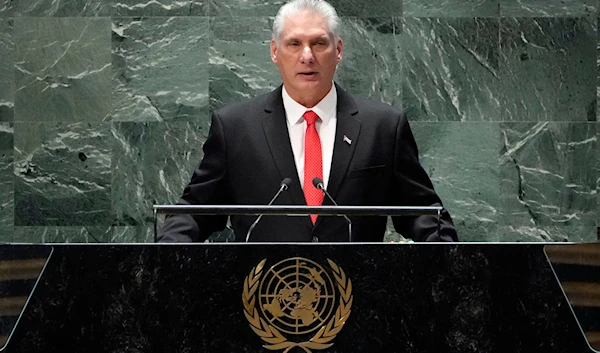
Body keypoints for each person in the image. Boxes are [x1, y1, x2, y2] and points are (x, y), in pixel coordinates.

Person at [158, 0, 458, 242]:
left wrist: (448, 254)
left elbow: (423, 213)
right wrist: (164, 254)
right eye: (293, 44)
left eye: (319, 43)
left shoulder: (383, 126)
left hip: (359, 304)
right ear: (275, 52)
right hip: (263, 304)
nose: (307, 56)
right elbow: (195, 211)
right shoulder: (236, 127)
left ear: (338, 50)